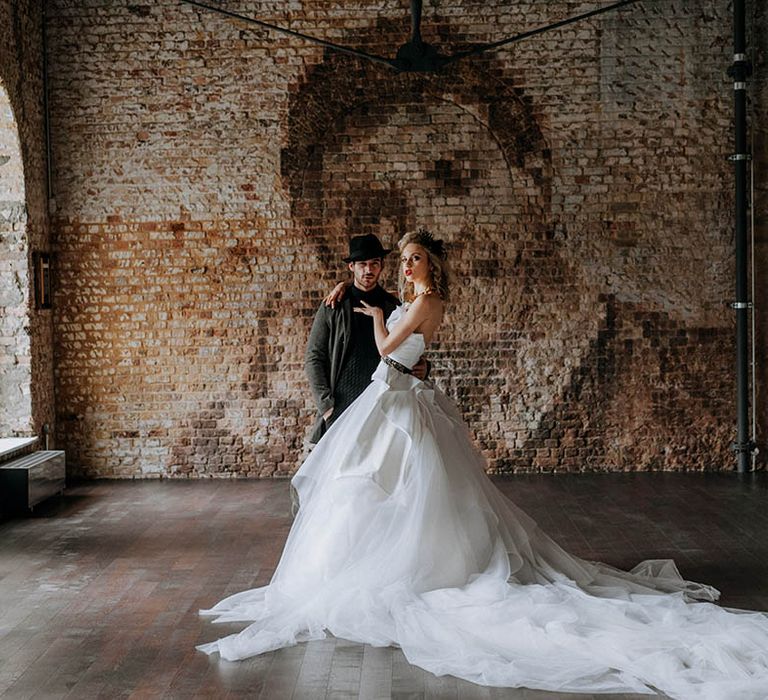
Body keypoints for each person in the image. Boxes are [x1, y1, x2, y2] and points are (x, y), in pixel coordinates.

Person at [200, 230, 768, 699]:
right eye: (396, 260)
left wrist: (378, 318)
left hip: (394, 396)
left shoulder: (413, 302)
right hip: (382, 399)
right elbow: (353, 351)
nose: (400, 267)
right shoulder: (384, 299)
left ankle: (410, 568)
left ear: (429, 263)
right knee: (371, 489)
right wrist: (350, 302)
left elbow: (390, 349)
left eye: (409, 258)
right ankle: (357, 567)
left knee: (400, 490)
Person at [304, 233, 427, 445]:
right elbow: (314, 357)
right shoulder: (334, 305)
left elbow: (407, 349)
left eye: (374, 263)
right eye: (362, 264)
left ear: (381, 266)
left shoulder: (393, 307)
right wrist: (326, 407)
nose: (368, 270)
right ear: (351, 266)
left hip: (382, 403)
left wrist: (424, 367)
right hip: (342, 405)